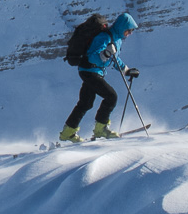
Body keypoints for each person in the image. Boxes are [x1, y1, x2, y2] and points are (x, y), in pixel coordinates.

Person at [60, 12, 141, 142]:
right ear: (123, 27)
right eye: (129, 30)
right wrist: (106, 53)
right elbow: (93, 56)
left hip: (94, 71)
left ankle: (68, 132)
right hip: (89, 71)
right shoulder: (104, 37)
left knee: (85, 103)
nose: (130, 33)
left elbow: (114, 58)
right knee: (111, 96)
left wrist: (127, 70)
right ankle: (100, 129)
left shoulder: (117, 39)